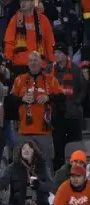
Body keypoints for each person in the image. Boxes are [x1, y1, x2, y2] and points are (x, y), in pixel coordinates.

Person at [10, 52, 64, 171]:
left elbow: (62, 97)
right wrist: (22, 99)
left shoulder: (50, 79)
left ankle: (47, 188)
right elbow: (10, 100)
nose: (33, 63)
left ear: (41, 63)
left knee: (47, 164)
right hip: (24, 131)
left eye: (35, 60)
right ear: (27, 63)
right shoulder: (20, 79)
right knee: (21, 165)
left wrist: (48, 97)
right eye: (30, 60)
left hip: (44, 131)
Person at [0, 140, 53, 205]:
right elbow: (2, 182)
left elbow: (50, 186)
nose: (26, 150)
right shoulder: (13, 167)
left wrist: (39, 185)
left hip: (40, 204)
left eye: (29, 148)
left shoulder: (42, 166)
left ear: (34, 151)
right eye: (24, 148)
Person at [48, 43, 86, 171]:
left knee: (75, 145)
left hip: (72, 114)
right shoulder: (50, 69)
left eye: (59, 53)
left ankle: (77, 170)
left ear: (65, 55)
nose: (56, 55)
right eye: (55, 53)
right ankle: (59, 173)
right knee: (58, 146)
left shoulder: (75, 69)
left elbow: (83, 89)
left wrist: (76, 103)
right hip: (56, 114)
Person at [4, 0, 54, 77]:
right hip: (20, 65)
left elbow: (50, 42)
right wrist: (8, 61)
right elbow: (9, 42)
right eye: (21, 1)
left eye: (26, 1)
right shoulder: (15, 19)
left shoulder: (43, 19)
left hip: (40, 66)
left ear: (32, 2)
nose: (23, 3)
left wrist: (52, 62)